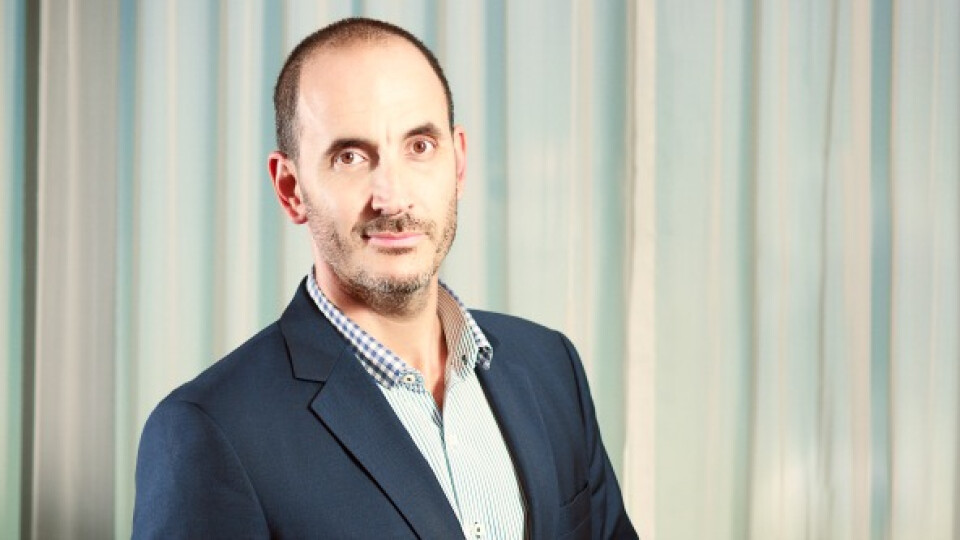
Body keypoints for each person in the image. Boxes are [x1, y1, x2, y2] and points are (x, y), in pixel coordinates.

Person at [133, 17, 637, 540]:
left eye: (419, 146)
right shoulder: (210, 430)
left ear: (458, 163)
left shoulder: (551, 367)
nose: (393, 198)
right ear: (290, 189)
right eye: (350, 157)